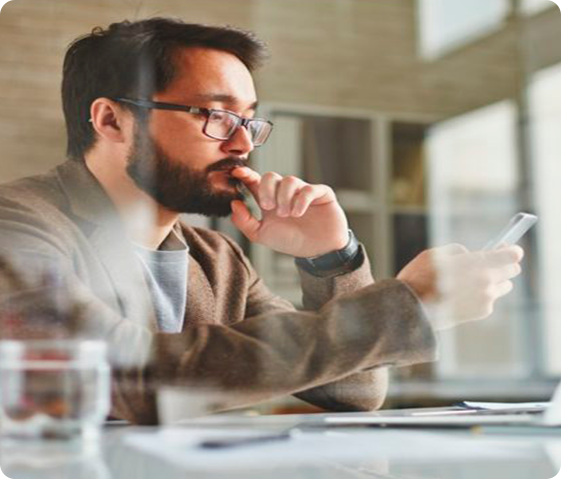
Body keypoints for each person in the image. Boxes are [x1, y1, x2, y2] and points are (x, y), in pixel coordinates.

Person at [0, 18, 523, 424]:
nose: (244, 142)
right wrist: (408, 308)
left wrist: (331, 258)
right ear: (111, 119)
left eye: (249, 119)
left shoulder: (217, 258)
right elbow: (126, 378)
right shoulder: (19, 226)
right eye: (216, 115)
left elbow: (351, 390)